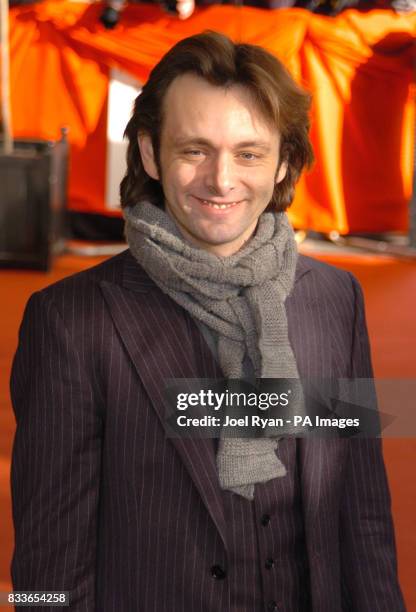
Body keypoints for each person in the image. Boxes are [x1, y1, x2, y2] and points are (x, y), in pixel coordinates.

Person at [10, 31, 405, 611]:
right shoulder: (69, 321)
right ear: (148, 153)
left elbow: (362, 511)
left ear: (284, 163)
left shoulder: (334, 300)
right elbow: (48, 563)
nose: (221, 180)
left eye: (249, 153)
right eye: (195, 149)